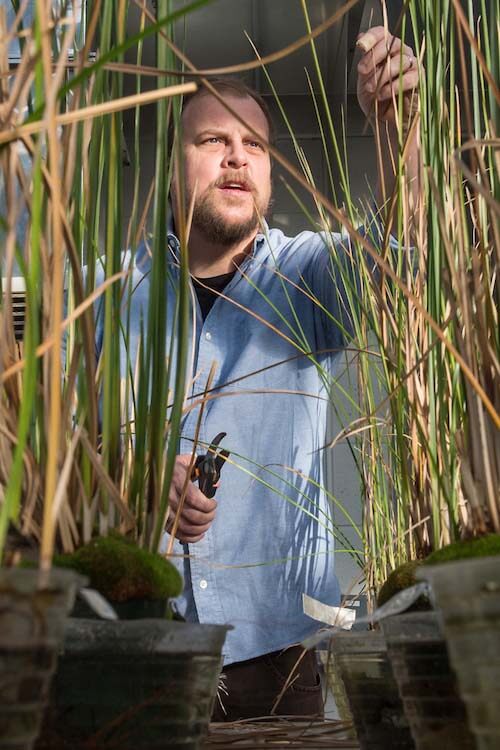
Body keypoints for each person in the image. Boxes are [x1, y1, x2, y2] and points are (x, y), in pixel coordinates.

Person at [133, 26, 419, 720]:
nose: (237, 158)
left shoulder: (304, 277)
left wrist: (393, 133)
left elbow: (390, 260)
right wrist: (134, 481)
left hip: (277, 658)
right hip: (135, 642)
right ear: (175, 165)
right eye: (213, 142)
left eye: (254, 146)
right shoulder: (114, 294)